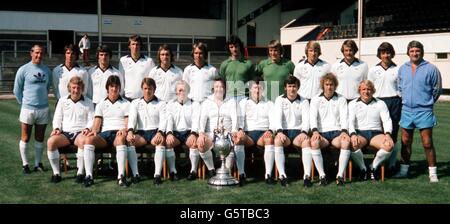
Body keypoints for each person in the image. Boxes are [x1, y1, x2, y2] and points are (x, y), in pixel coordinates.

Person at [395, 40, 442, 182]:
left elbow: (437, 90)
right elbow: (399, 87)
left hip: (424, 111)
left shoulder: (431, 69)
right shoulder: (403, 68)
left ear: (422, 52)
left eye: (417, 51)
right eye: (412, 51)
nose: (415, 53)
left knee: (427, 143)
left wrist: (426, 103)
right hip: (407, 111)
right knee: (405, 142)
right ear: (408, 53)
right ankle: (404, 170)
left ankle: (432, 173)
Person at [197, 76, 247, 186]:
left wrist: (234, 131)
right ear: (213, 88)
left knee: (239, 141)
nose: (219, 89)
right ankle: (212, 170)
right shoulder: (207, 102)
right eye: (216, 86)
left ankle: (241, 173)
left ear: (225, 88)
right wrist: (201, 133)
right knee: (200, 144)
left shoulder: (232, 101)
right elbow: (202, 120)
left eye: (221, 86)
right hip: (211, 135)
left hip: (228, 134)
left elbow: (235, 118)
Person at [83, 75, 130, 187]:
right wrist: (94, 131)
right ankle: (89, 176)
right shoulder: (101, 103)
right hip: (105, 134)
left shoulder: (126, 103)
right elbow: (97, 122)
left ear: (120, 88)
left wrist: (124, 130)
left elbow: (128, 123)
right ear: (107, 88)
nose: (114, 89)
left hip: (118, 132)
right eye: (112, 86)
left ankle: (121, 176)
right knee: (89, 139)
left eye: (116, 87)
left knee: (120, 139)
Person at [46, 77, 94, 183]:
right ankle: (56, 173)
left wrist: (87, 128)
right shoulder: (62, 101)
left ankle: (80, 172)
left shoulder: (88, 102)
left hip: (80, 133)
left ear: (82, 89)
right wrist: (57, 129)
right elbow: (57, 117)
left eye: (78, 88)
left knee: (83, 141)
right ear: (69, 88)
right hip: (65, 134)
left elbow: (92, 119)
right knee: (51, 142)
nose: (76, 90)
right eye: (73, 87)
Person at [13, 44, 52, 174]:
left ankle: (37, 163)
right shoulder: (23, 70)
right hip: (27, 109)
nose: (39, 55)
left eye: (41, 53)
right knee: (25, 137)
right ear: (31, 53)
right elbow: (17, 90)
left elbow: (46, 88)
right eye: (36, 52)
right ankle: (25, 164)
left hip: (43, 109)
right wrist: (24, 104)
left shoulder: (47, 70)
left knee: (40, 138)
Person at [348, 80, 394, 181]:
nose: (366, 91)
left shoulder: (380, 103)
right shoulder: (352, 104)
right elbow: (350, 122)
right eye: (363, 89)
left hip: (376, 133)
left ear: (373, 91)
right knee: (352, 144)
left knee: (389, 145)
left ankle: (373, 167)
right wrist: (352, 134)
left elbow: (387, 120)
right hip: (360, 133)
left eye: (369, 89)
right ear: (359, 90)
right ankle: (363, 168)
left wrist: (388, 134)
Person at [238, 77, 281, 185]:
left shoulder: (269, 103)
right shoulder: (243, 103)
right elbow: (240, 120)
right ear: (250, 89)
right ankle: (241, 174)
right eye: (255, 88)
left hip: (263, 134)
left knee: (269, 139)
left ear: (263, 89)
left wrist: (271, 130)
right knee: (238, 139)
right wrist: (240, 130)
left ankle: (268, 175)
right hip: (248, 135)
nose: (257, 90)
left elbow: (273, 121)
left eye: (260, 88)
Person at [309, 74, 350, 186]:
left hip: (337, 133)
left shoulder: (341, 99)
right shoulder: (315, 99)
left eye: (331, 84)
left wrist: (344, 131)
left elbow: (344, 116)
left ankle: (340, 175)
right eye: (327, 84)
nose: (329, 87)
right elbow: (313, 117)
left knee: (346, 142)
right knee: (314, 143)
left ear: (335, 85)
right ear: (323, 85)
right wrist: (315, 131)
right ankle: (322, 176)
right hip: (322, 133)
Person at [367, 42, 401, 174]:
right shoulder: (373, 70)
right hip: (379, 102)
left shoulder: (398, 69)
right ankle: (378, 162)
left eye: (388, 53)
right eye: (383, 53)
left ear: (391, 53)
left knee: (393, 134)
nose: (385, 55)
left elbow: (400, 87)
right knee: (379, 133)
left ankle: (392, 164)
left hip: (394, 101)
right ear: (379, 55)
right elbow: (369, 87)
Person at [272, 76, 311, 187]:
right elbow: (277, 118)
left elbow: (306, 119)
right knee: (278, 141)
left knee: (306, 142)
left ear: (298, 87)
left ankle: (306, 176)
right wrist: (279, 132)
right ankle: (282, 175)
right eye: (289, 86)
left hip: (299, 132)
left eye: (294, 86)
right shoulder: (279, 99)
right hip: (285, 133)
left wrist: (304, 132)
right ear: (285, 88)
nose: (292, 89)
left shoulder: (304, 101)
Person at [127, 77, 167, 185]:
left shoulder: (161, 103)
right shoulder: (135, 103)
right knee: (130, 142)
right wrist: (130, 131)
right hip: (141, 133)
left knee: (161, 142)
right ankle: (136, 174)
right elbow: (132, 119)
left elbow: (164, 120)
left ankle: (157, 175)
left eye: (150, 88)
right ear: (142, 89)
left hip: (155, 132)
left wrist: (160, 132)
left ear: (154, 89)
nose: (147, 91)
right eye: (145, 88)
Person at [166, 80, 201, 180]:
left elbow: (196, 121)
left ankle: (193, 171)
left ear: (188, 91)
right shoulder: (170, 104)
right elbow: (169, 120)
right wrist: (169, 133)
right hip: (175, 133)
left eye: (184, 90)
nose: (182, 92)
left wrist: (194, 134)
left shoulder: (195, 104)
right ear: (176, 92)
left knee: (194, 143)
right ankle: (173, 171)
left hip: (189, 132)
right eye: (180, 90)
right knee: (168, 142)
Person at [119, 34, 156, 101]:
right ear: (129, 46)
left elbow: (152, 82)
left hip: (143, 99)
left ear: (140, 46)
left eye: (137, 44)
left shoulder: (149, 61)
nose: (135, 47)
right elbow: (121, 80)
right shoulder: (123, 61)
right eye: (133, 44)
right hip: (127, 99)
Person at [219, 35, 255, 101]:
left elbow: (252, 83)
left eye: (236, 46)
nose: (234, 49)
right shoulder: (224, 64)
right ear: (228, 48)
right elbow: (222, 83)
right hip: (228, 97)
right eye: (231, 47)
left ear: (240, 46)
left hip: (244, 97)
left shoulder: (248, 64)